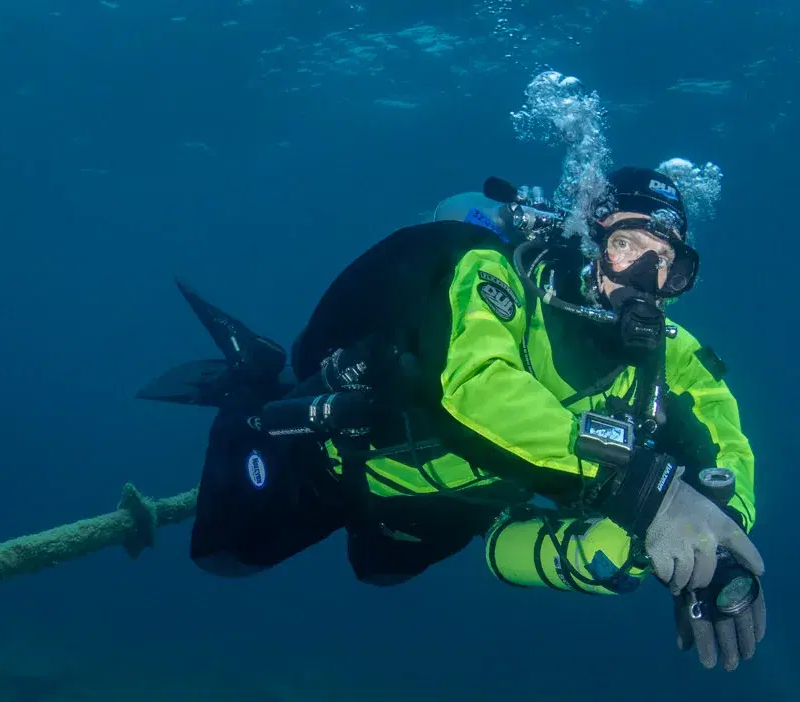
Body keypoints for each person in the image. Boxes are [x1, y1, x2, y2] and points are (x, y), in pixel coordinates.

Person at [139, 166, 766, 670]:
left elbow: (723, 433)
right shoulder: (496, 275)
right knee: (227, 554)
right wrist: (646, 491)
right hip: (338, 456)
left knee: (380, 572)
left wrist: (724, 541)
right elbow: (477, 389)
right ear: (585, 236)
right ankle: (253, 378)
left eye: (669, 263)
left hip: (447, 509)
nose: (644, 278)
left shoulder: (669, 352)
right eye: (626, 245)